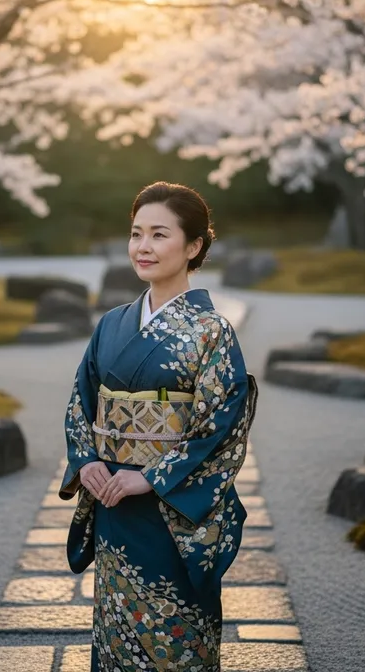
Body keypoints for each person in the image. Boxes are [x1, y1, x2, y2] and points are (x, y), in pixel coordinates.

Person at [59, 181, 253, 672]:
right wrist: (87, 463)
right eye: (136, 233)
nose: (142, 247)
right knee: (114, 633)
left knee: (175, 635)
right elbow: (81, 401)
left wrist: (149, 476)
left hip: (169, 508)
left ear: (193, 247)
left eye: (159, 235)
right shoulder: (112, 323)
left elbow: (220, 423)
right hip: (112, 502)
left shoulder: (212, 332)